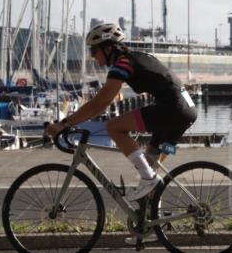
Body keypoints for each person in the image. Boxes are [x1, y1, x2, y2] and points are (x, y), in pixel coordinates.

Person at [45, 22, 197, 202]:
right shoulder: (138, 57)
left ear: (108, 48)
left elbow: (99, 104)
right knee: (149, 164)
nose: (93, 57)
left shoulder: (123, 64)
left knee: (114, 127)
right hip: (187, 112)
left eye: (94, 51)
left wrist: (64, 124)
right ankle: (152, 215)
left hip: (173, 109)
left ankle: (149, 181)